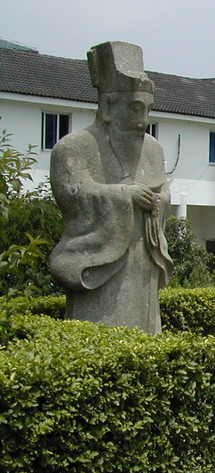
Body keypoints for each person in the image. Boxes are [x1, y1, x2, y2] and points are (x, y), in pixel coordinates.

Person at [50, 41, 172, 333]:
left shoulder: (152, 149)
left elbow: (163, 191)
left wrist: (158, 202)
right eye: (134, 109)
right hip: (100, 260)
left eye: (147, 110)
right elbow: (72, 193)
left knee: (146, 331)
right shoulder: (73, 147)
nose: (143, 122)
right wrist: (125, 195)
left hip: (143, 258)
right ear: (107, 106)